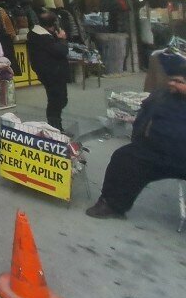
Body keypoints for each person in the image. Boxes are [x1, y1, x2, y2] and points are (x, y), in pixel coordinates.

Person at [86, 70, 186, 219]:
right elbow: (146, 114)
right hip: (155, 150)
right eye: (171, 80)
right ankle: (112, 205)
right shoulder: (164, 95)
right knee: (124, 158)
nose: (172, 83)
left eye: (179, 81)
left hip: (180, 157)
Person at [26, 11, 70, 132]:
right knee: (56, 101)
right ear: (53, 24)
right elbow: (61, 51)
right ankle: (55, 129)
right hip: (53, 73)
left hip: (50, 73)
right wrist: (62, 39)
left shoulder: (38, 34)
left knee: (59, 100)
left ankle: (55, 126)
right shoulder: (43, 37)